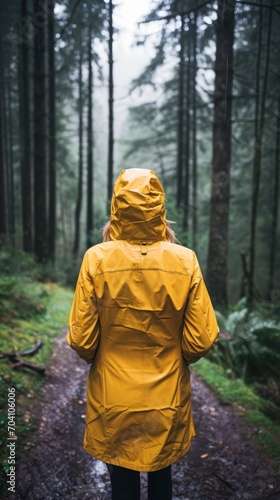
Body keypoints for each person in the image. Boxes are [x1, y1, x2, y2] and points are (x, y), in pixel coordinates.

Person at [67, 168, 219, 500]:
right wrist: (177, 359)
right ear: (160, 210)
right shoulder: (185, 260)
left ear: (116, 208)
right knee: (162, 475)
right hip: (167, 397)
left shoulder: (96, 259)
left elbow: (81, 338)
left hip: (113, 396)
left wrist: (101, 358)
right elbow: (202, 337)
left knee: (122, 482)